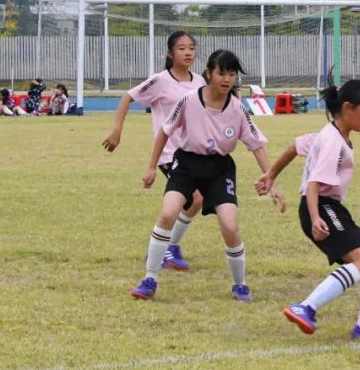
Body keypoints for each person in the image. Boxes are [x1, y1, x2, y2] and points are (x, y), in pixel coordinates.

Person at [130, 50, 285, 301]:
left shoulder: (237, 108)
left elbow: (256, 144)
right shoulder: (189, 100)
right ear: (209, 74)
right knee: (168, 212)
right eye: (221, 73)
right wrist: (151, 167)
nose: (227, 79)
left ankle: (240, 284)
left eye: (232, 74)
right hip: (187, 165)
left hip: (219, 169)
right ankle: (150, 278)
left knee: (230, 225)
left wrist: (272, 180)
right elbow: (165, 131)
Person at [254, 80, 360, 339]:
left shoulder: (329, 133)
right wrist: (316, 217)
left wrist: (271, 173)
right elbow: (314, 184)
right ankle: (306, 307)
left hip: (331, 209)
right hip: (321, 207)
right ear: (348, 108)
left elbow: (295, 146)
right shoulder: (334, 144)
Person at [104, 32, 206, 271]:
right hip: (169, 152)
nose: (188, 52)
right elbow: (127, 97)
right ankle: (170, 247)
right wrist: (117, 130)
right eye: (181, 48)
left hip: (194, 152)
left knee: (193, 200)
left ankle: (164, 246)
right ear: (171, 53)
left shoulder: (200, 81)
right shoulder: (160, 80)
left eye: (191, 47)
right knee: (196, 197)